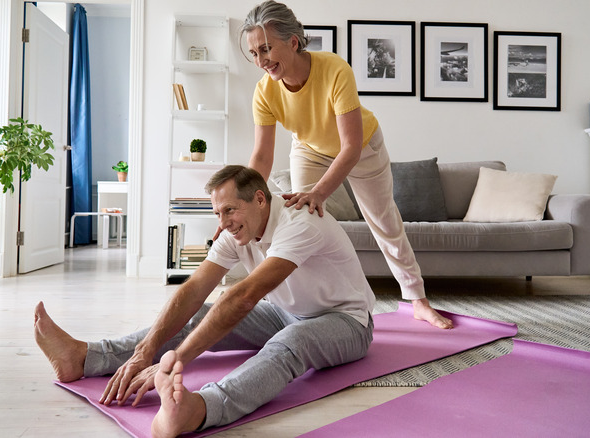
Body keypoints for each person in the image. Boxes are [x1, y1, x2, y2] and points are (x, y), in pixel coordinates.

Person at [34, 165, 376, 438]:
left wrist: (173, 362)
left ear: (260, 199)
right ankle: (84, 358)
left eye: (229, 210)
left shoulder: (299, 223)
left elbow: (242, 297)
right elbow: (194, 289)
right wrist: (146, 350)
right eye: (217, 212)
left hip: (345, 321)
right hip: (286, 312)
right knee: (199, 314)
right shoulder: (235, 230)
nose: (223, 222)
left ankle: (197, 410)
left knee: (291, 342)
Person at [241, 1, 452, 329]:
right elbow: (262, 157)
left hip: (363, 147)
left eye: (266, 49)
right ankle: (306, 306)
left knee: (383, 220)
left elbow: (351, 146)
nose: (261, 60)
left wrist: (320, 192)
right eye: (254, 53)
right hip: (310, 149)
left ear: (293, 42)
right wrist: (242, 203)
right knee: (300, 221)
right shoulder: (264, 92)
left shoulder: (334, 69)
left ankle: (418, 301)